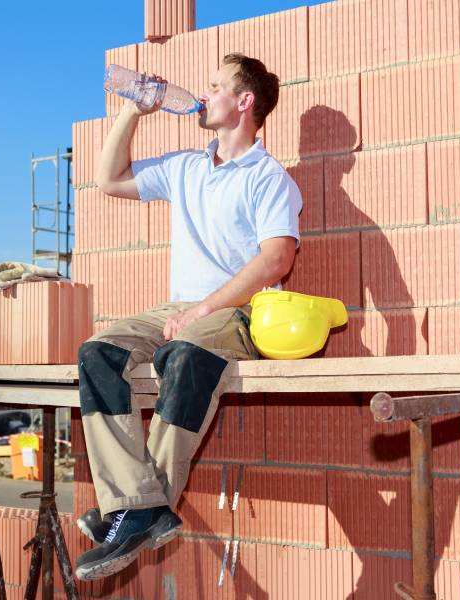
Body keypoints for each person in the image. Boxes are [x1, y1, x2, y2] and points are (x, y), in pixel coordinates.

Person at [74, 53, 303, 581]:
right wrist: (135, 109)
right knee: (97, 353)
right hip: (178, 309)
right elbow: (109, 180)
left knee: (185, 352)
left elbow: (276, 259)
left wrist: (203, 310)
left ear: (245, 102)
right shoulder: (187, 166)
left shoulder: (269, 179)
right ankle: (140, 504)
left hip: (240, 312)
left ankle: (133, 507)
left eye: (217, 86)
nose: (205, 94)